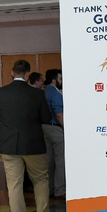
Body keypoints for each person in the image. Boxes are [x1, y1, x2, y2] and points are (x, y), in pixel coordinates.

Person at [0, 60, 56, 212]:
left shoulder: (0, 93)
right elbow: (46, 118)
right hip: (34, 145)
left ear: (12, 73)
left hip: (9, 146)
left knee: (14, 184)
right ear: (27, 75)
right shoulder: (37, 94)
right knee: (40, 180)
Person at [43, 69, 65, 200]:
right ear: (54, 80)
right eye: (60, 79)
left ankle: (49, 189)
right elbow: (58, 113)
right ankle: (59, 190)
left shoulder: (45, 91)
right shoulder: (56, 93)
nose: (62, 82)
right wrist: (66, 128)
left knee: (49, 161)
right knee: (60, 161)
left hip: (45, 128)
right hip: (56, 129)